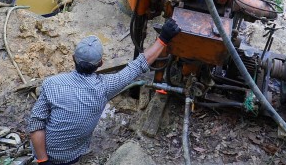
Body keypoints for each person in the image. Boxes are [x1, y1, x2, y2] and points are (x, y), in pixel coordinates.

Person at [28, 19, 181, 165]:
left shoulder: (51, 84)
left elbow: (35, 125)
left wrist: (43, 161)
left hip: (44, 152)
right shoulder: (105, 86)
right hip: (70, 157)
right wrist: (163, 38)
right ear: (101, 63)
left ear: (73, 58)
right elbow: (138, 65)